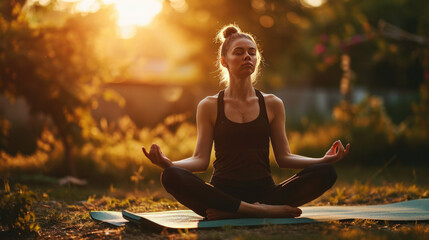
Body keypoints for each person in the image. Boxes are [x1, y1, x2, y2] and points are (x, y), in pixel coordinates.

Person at [142, 24, 350, 220]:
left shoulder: (272, 104)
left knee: (326, 173)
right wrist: (170, 164)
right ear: (224, 61)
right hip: (222, 193)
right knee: (170, 176)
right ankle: (259, 211)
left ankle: (237, 211)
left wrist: (323, 160)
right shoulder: (209, 105)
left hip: (265, 192)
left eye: (252, 52)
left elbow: (284, 158)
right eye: (239, 52)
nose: (247, 57)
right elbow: (200, 160)